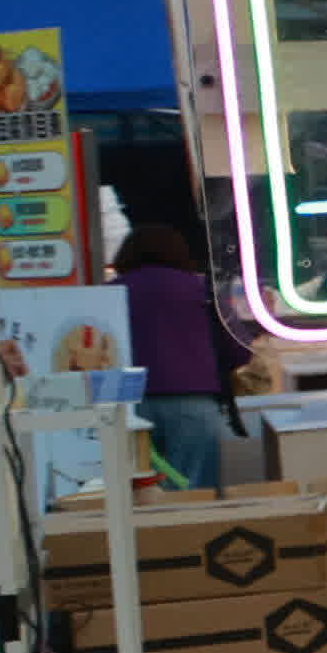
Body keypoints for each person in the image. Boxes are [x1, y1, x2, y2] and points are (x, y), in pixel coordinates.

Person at [111, 201, 235, 492]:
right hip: (195, 405)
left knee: (143, 493)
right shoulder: (204, 290)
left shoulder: (110, 293)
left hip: (131, 407)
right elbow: (236, 347)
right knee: (195, 493)